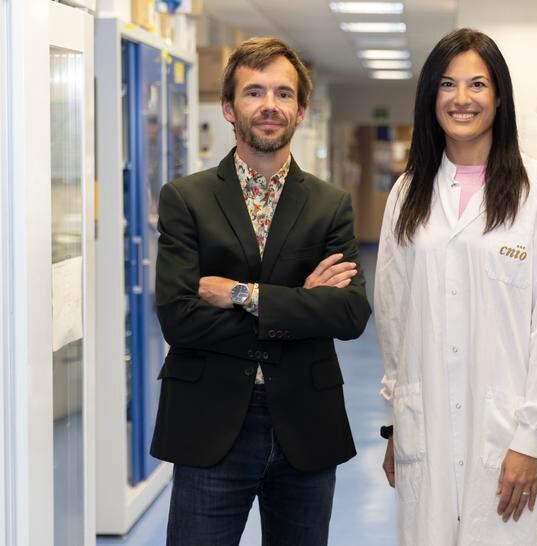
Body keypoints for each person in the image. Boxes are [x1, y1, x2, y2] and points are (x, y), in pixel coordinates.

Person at [374, 28, 537, 546]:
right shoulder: (407, 194)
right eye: (447, 84)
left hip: (512, 436)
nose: (462, 98)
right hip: (425, 426)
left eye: (478, 83)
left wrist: (529, 439)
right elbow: (393, 315)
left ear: (499, 97)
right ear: (431, 97)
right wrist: (397, 421)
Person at [150, 36, 372, 546]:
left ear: (301, 109)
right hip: (210, 421)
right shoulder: (187, 199)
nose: (270, 106)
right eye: (254, 93)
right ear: (229, 108)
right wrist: (302, 303)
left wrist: (243, 294)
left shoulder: (329, 204)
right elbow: (179, 318)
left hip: (305, 421)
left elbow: (350, 313)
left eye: (283, 94)